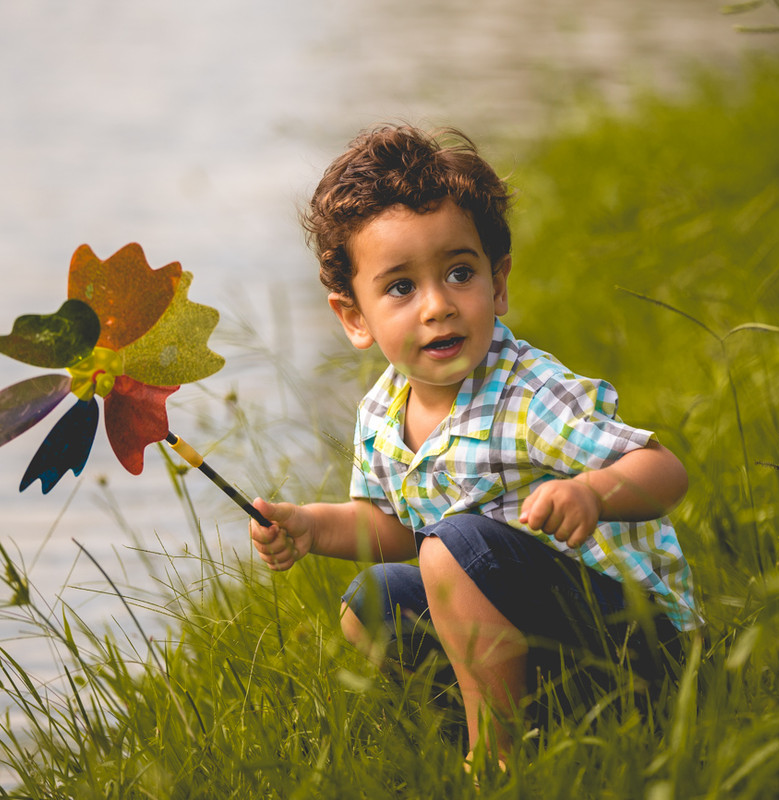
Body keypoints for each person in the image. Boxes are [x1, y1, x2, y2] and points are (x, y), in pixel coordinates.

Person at [249, 124, 702, 768]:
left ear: (499, 283)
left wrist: (591, 492)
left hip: (633, 645)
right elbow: (396, 532)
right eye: (401, 287)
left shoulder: (528, 392)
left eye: (460, 273)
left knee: (453, 549)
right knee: (372, 601)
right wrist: (309, 527)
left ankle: (497, 759)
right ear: (354, 316)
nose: (438, 306)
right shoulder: (381, 413)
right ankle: (516, 720)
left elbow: (664, 471)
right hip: (542, 644)